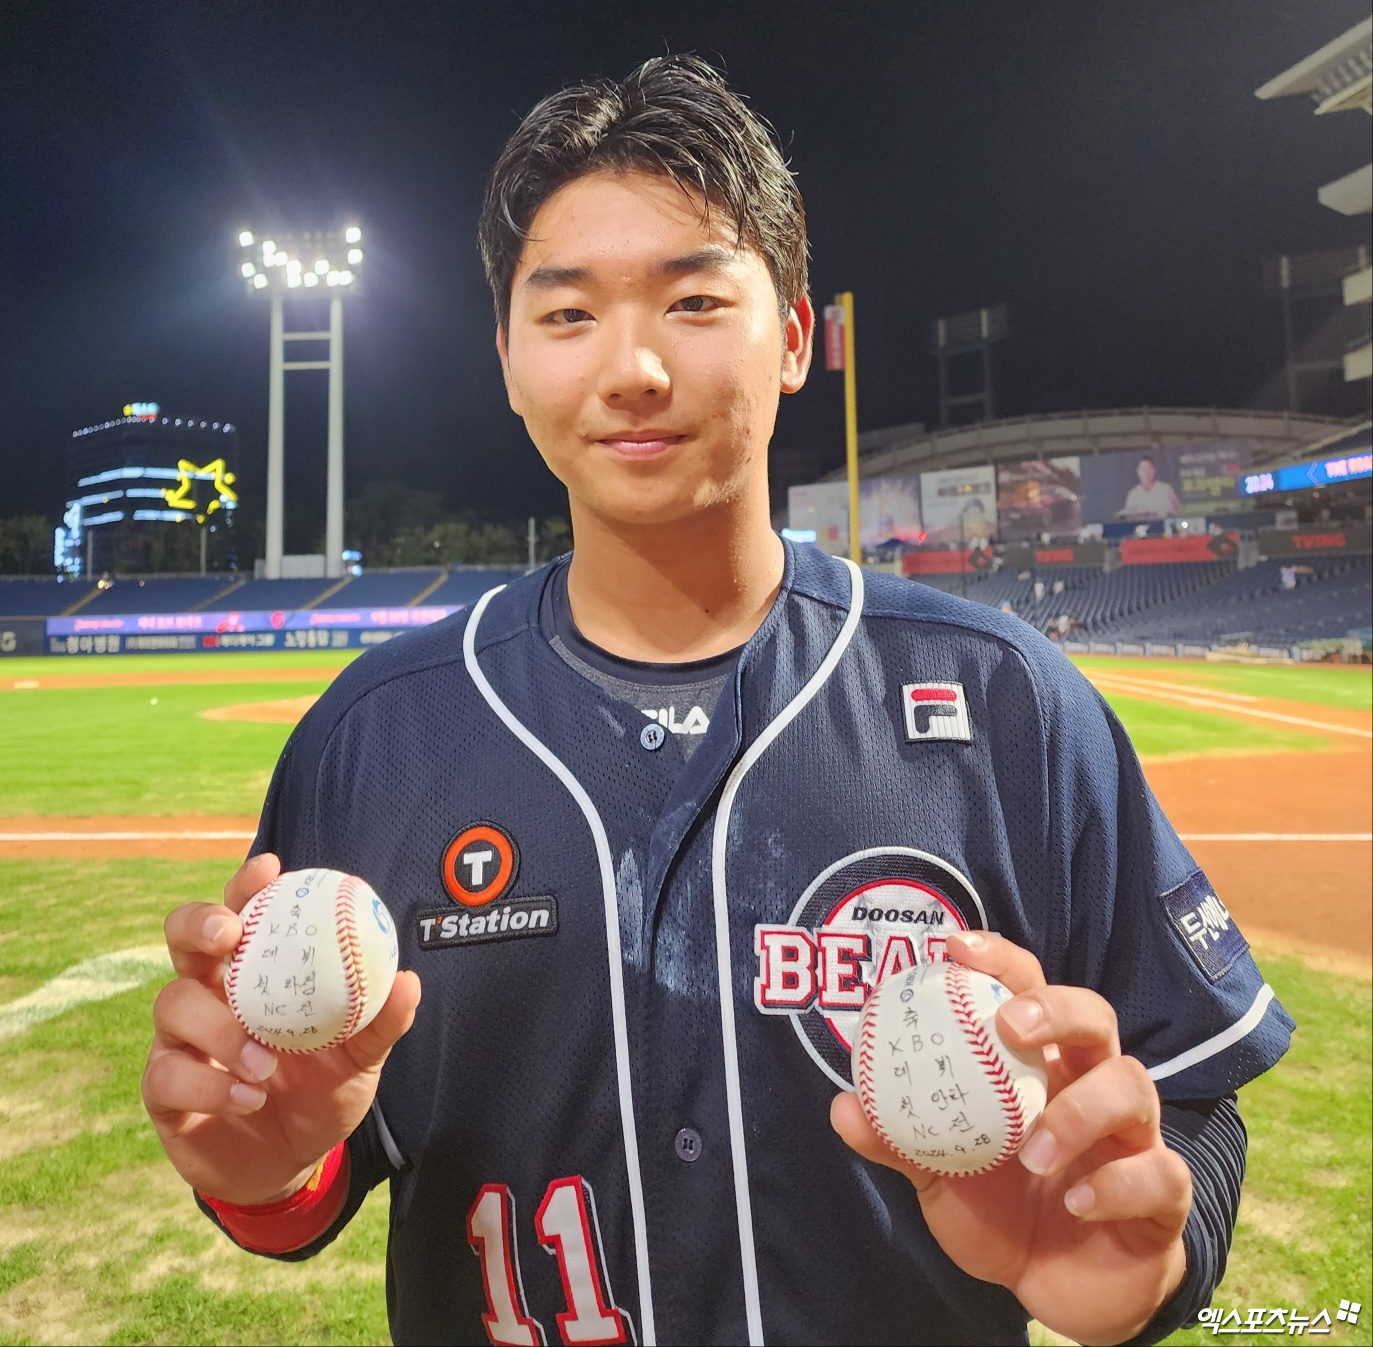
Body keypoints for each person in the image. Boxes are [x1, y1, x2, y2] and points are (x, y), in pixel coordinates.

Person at [143, 56, 1291, 1346]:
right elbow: (305, 1166)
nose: (630, 368)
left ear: (794, 336)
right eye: (567, 315)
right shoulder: (373, 738)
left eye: (693, 298)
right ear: (509, 361)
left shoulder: (1004, 698)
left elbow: (1189, 1087)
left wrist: (1143, 1264)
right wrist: (269, 1167)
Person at [1117, 455, 1183, 520]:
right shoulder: (1133, 494)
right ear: (1138, 471)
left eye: (1149, 468)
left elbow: (1176, 512)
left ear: (1154, 470)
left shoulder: (1165, 489)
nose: (1146, 472)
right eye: (1143, 469)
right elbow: (1129, 515)